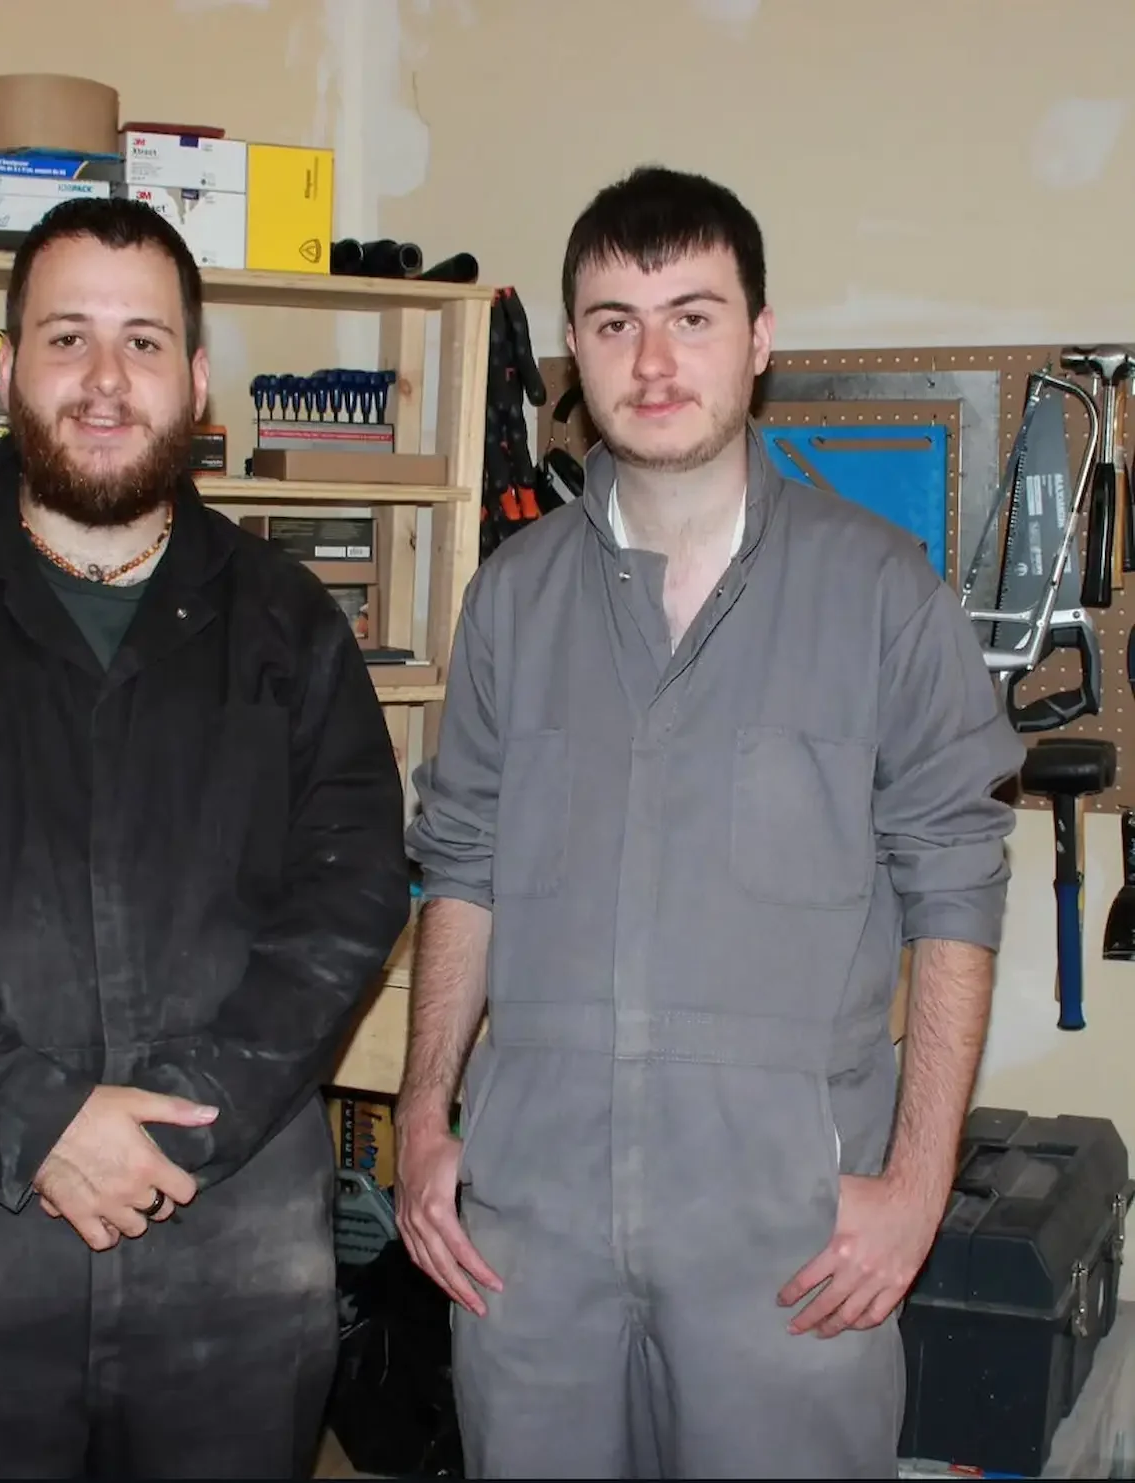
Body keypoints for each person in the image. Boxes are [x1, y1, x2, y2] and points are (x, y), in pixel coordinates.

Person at [0, 196, 410, 1480]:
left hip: (221, 1263)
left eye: (144, 342)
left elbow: (350, 892)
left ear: (198, 378)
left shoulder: (288, 625)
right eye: (67, 338)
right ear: (6, 371)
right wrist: (33, 1116)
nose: (106, 381)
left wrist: (179, 1128)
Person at [392, 165, 1025, 1479]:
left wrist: (917, 1183)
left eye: (693, 312)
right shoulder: (515, 599)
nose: (655, 357)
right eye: (614, 320)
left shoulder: (880, 593)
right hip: (535, 1245)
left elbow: (959, 884)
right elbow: (461, 866)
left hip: (784, 1253)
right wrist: (421, 1116)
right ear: (574, 351)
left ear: (760, 337)